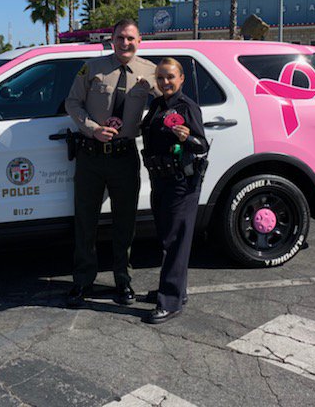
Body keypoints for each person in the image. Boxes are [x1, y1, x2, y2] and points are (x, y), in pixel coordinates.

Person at [64, 19, 159, 308]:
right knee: (85, 220)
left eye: (131, 38)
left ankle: (123, 281)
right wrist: (93, 128)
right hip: (91, 154)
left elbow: (167, 104)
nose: (125, 43)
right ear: (112, 39)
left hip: (124, 156)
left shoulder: (151, 72)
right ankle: (82, 281)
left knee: (125, 222)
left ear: (139, 40)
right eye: (120, 37)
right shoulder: (91, 68)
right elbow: (72, 103)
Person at [140, 58, 208, 324]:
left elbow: (201, 145)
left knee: (174, 241)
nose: (165, 82)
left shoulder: (186, 106)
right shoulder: (158, 104)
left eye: (170, 77)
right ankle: (176, 291)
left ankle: (170, 302)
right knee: (167, 236)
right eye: (160, 78)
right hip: (160, 179)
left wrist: (186, 138)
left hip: (181, 182)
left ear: (181, 79)